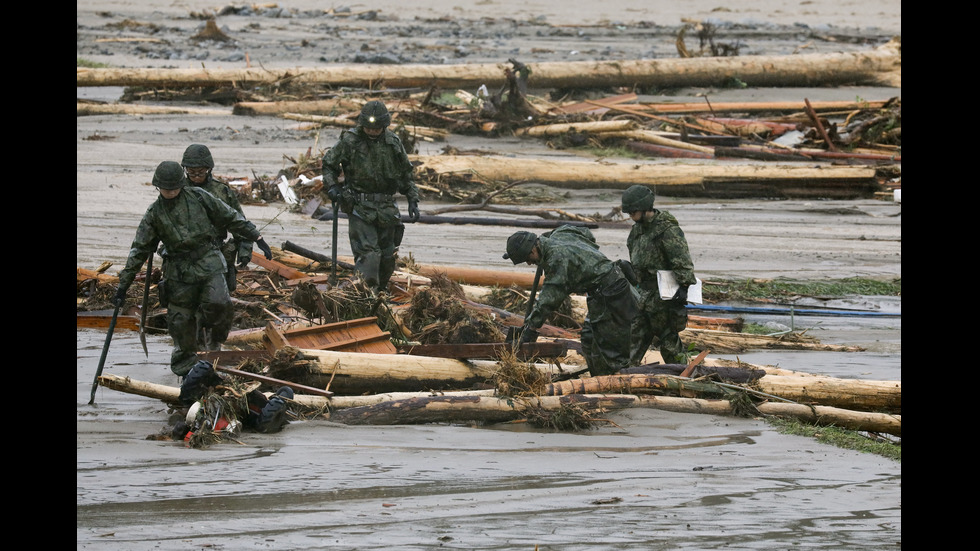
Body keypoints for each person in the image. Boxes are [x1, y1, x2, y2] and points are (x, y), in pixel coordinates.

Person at [113, 161, 274, 380]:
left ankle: (216, 342)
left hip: (208, 260)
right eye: (166, 189)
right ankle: (187, 375)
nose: (170, 192)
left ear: (181, 184)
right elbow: (139, 251)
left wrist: (256, 236)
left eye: (174, 188)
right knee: (180, 322)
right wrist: (123, 286)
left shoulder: (198, 197)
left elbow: (230, 216)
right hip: (178, 272)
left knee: (219, 303)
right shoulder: (153, 214)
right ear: (158, 187)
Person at [503, 225, 637, 376]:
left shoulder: (557, 259)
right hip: (599, 295)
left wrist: (531, 328)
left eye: (528, 259)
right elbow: (585, 233)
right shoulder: (561, 234)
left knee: (610, 349)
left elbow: (549, 297)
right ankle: (598, 380)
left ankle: (617, 386)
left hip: (612, 295)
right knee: (588, 338)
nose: (529, 264)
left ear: (533, 250)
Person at [321, 100, 420, 293]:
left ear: (384, 126)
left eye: (377, 128)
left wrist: (412, 199)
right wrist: (332, 186)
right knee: (369, 254)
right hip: (359, 205)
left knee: (387, 255)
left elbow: (405, 174)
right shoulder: (350, 140)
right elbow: (329, 164)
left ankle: (380, 292)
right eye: (368, 128)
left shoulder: (393, 143)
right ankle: (365, 294)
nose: (373, 131)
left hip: (386, 207)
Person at [181, 143, 257, 349]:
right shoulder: (177, 191)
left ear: (209, 169)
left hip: (215, 254)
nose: (196, 175)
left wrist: (244, 251)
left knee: (217, 304)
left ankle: (213, 346)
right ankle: (189, 352)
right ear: (185, 170)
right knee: (187, 307)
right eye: (191, 171)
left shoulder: (222, 192)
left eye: (200, 171)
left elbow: (239, 222)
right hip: (184, 258)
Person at [621, 185, 697, 365]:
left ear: (644, 207)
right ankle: (623, 376)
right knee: (633, 339)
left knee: (669, 343)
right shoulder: (636, 232)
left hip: (665, 296)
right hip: (644, 296)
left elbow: (682, 262)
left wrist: (683, 289)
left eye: (633, 212)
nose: (630, 216)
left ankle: (684, 377)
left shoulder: (667, 230)